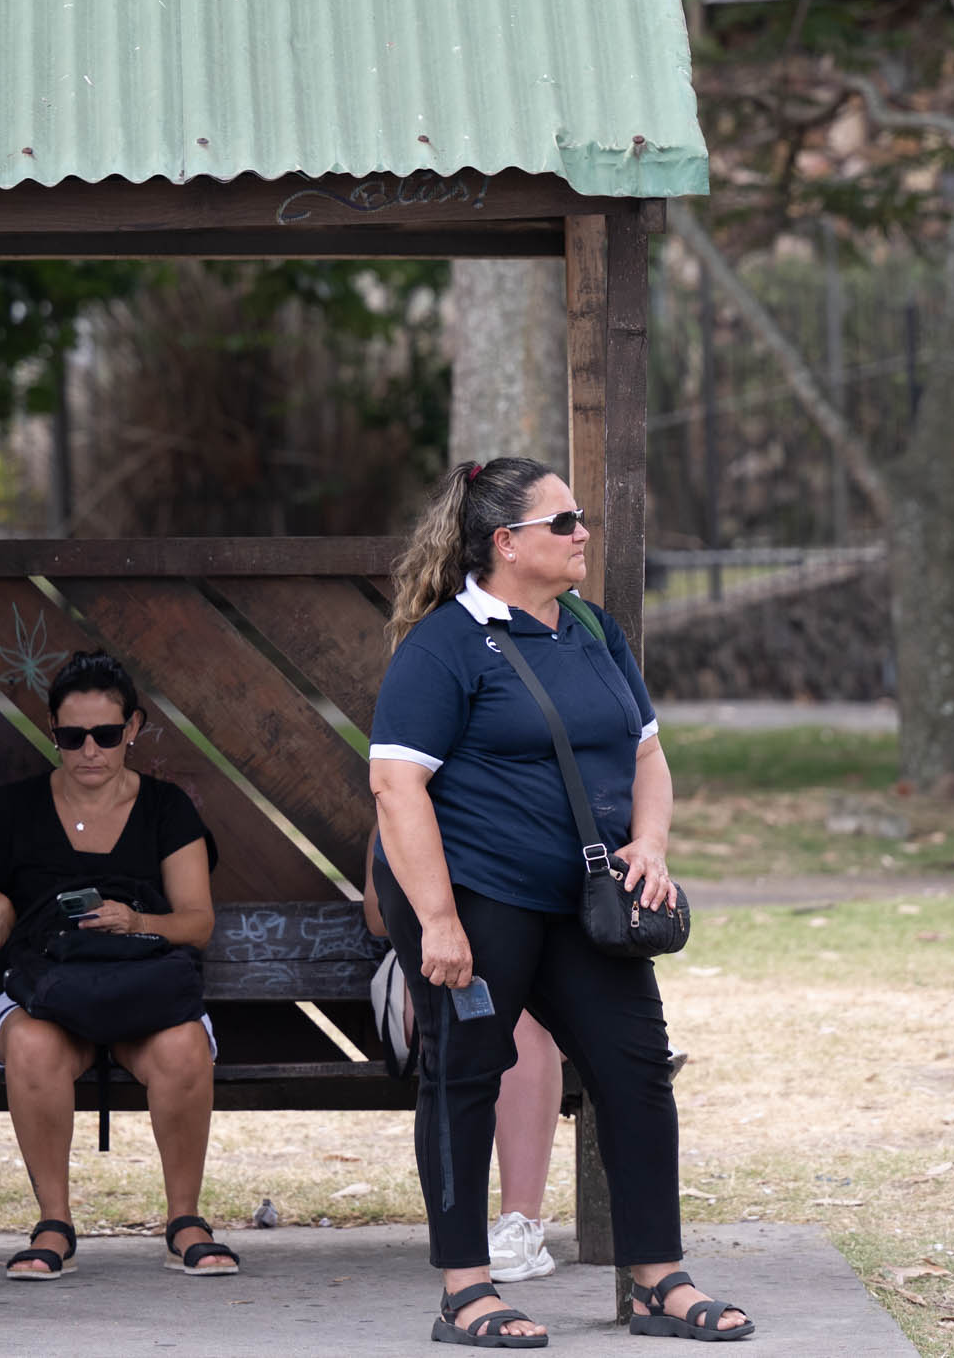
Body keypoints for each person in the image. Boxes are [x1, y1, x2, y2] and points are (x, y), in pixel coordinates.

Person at [369, 459, 751, 1345]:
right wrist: (437, 921)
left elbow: (646, 754)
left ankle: (658, 1281)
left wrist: (649, 845)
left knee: (635, 1069)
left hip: (585, 901)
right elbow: (396, 786)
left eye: (580, 517)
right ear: (507, 543)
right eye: (564, 521)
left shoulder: (590, 628)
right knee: (465, 1075)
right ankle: (466, 1290)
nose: (583, 532)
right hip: (476, 896)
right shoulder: (443, 646)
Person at [0, 652, 237, 1281]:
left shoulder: (165, 809)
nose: (90, 751)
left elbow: (197, 922)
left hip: (139, 990)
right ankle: (54, 1222)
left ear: (133, 728)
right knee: (31, 1044)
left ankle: (185, 1220)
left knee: (184, 1045)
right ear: (52, 730)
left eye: (106, 734)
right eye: (72, 737)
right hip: (47, 991)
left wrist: (136, 921)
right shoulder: (20, 807)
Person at [367, 842, 567, 1284]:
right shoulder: (405, 806)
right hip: (434, 954)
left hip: (533, 954)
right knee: (460, 1004)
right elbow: (377, 916)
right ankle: (460, 1242)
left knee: (518, 1012)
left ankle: (521, 1222)